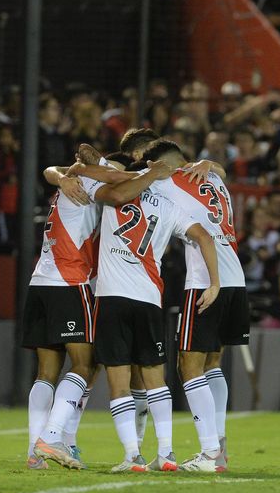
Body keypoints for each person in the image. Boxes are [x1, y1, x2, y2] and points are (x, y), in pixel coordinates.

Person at [75, 146, 220, 473]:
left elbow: (93, 168)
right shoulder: (169, 206)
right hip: (149, 300)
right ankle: (166, 454)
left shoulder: (118, 191)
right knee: (156, 380)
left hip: (112, 297)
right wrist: (215, 282)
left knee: (119, 380)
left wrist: (96, 159)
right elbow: (204, 237)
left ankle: (132, 456)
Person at [141, 139, 249, 472]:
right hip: (236, 280)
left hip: (205, 281)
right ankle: (219, 444)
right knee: (212, 364)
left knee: (188, 366)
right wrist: (211, 162)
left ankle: (210, 453)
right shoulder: (212, 179)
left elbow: (122, 177)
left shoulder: (166, 179)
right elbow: (220, 169)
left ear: (163, 164)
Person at [22, 146, 130, 471]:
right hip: (69, 283)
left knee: (46, 373)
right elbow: (117, 185)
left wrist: (60, 175)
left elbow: (52, 170)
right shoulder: (86, 182)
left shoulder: (69, 181)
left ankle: (36, 450)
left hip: (40, 282)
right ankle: (54, 437)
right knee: (85, 364)